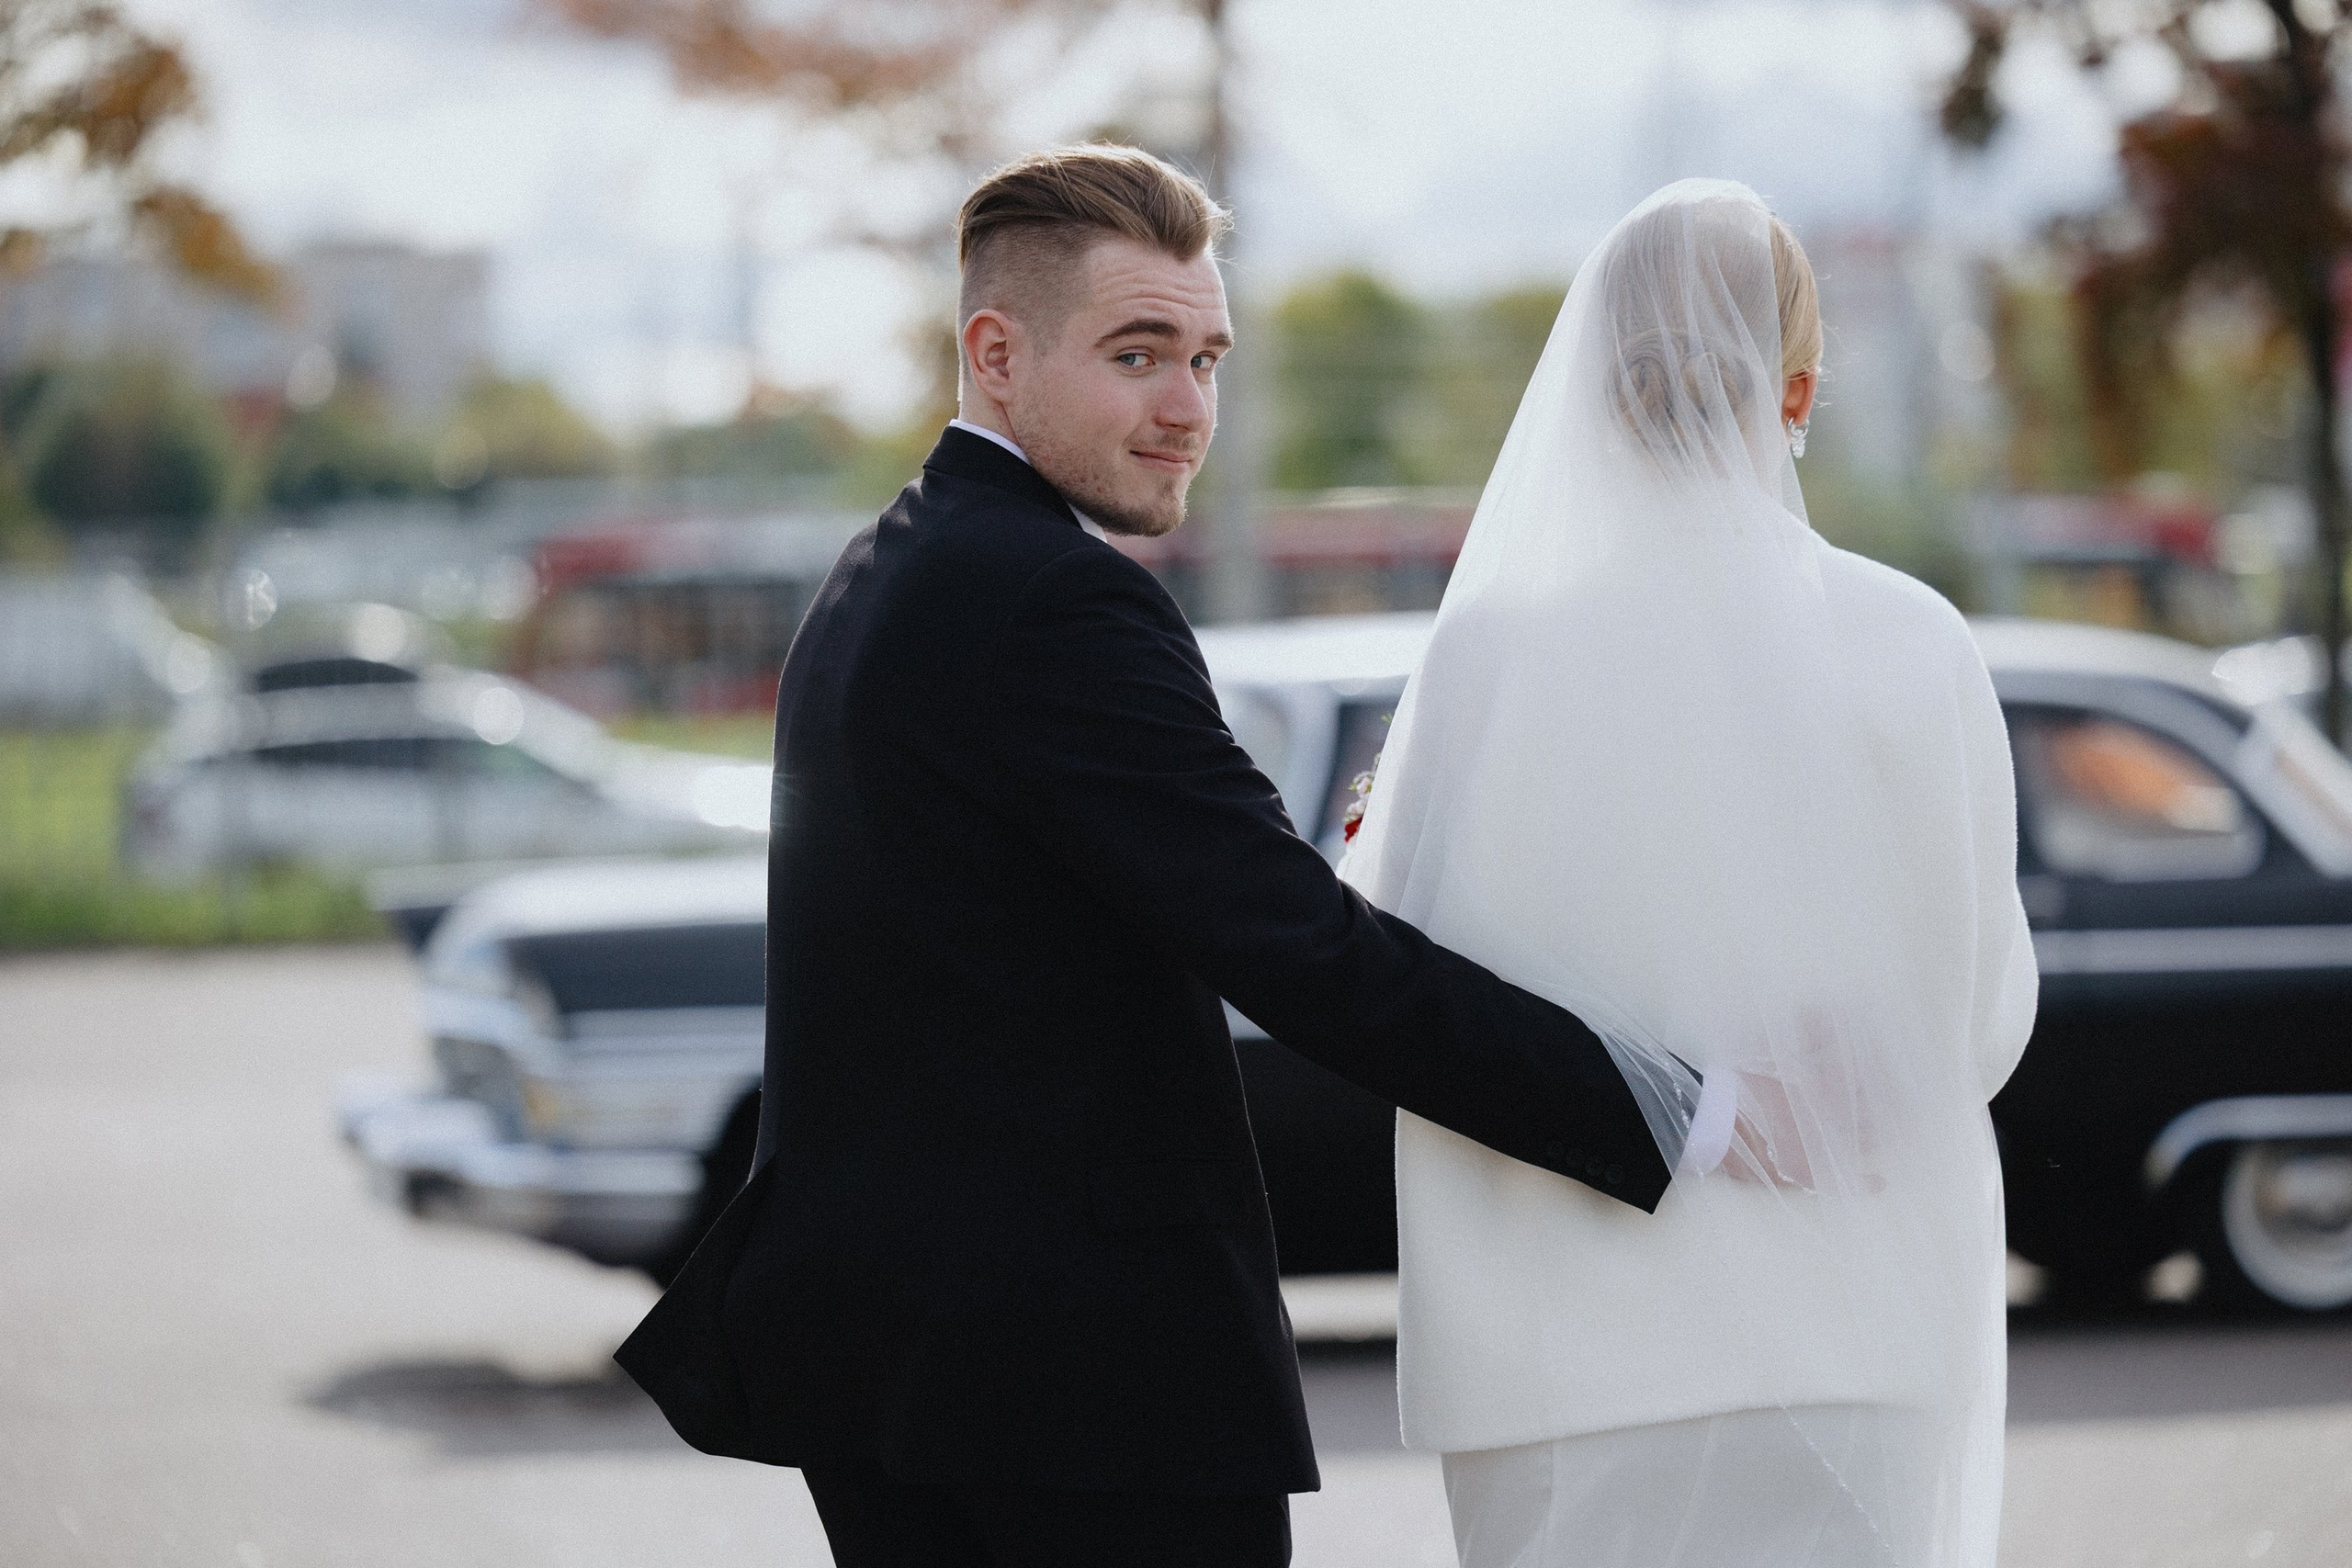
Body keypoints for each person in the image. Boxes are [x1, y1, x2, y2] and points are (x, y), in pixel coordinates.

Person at [616, 144, 1701, 1568]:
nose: (1188, 410)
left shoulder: (889, 566)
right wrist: (1668, 1112)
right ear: (995, 354)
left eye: (1206, 357)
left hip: (901, 1371)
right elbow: (1300, 950)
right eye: (1139, 355)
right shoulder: (1056, 600)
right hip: (1070, 1396)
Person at [1340, 179, 2039, 1567]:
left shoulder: (1487, 661)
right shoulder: (1914, 643)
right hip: (1854, 1326)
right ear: (1798, 390)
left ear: (1592, 394)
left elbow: (1394, 992)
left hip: (1552, 1360)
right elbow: (1980, 1027)